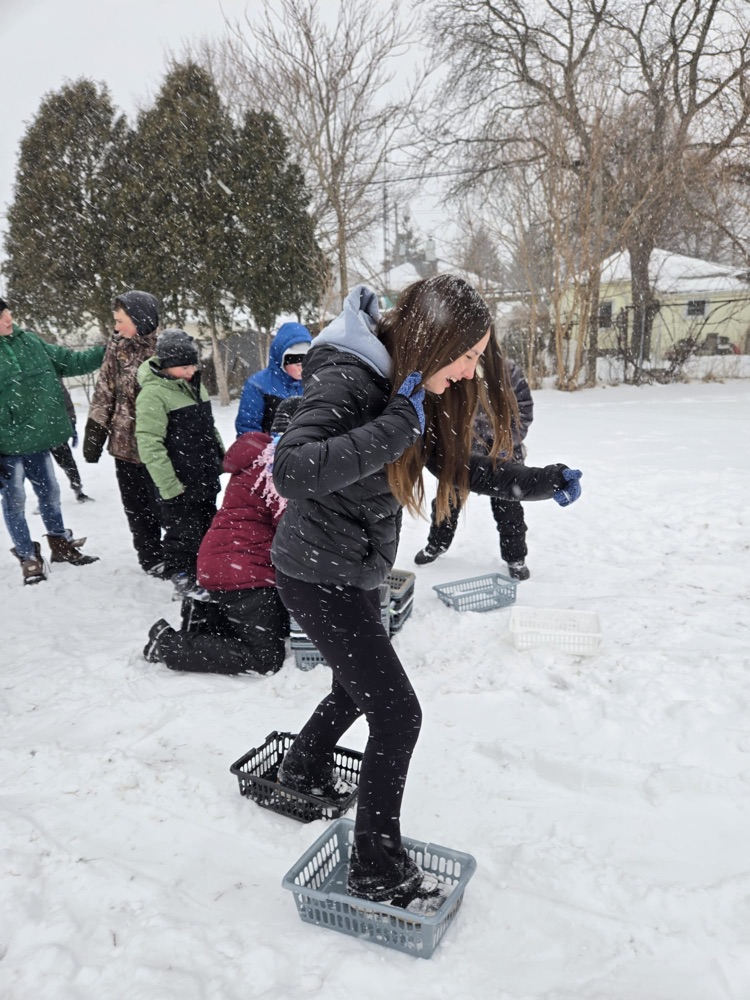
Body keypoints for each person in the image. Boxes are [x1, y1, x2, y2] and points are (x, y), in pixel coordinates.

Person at [269, 277, 582, 906]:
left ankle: (301, 768)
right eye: (466, 357)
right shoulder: (353, 377)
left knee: (355, 690)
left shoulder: (409, 388)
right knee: (396, 712)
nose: (470, 374)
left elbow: (454, 466)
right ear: (435, 343)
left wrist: (540, 480)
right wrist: (394, 424)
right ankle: (376, 868)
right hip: (313, 572)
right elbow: (292, 469)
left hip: (352, 569)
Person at [142, 398, 300, 673]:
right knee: (265, 659)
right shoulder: (280, 467)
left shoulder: (262, 458)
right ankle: (168, 644)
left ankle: (207, 616)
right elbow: (292, 531)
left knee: (277, 625)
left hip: (225, 562)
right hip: (246, 573)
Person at [0, 296, 104, 585]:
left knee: (50, 494)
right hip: (6, 447)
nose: (8, 319)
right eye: (1, 317)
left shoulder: (30, 342)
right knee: (15, 502)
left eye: (7, 312)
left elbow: (71, 361)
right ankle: (27, 556)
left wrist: (108, 350)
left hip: (39, 438)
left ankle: (60, 545)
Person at [414, 356, 534, 579]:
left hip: (504, 453)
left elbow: (524, 410)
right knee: (447, 501)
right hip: (463, 452)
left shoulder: (507, 370)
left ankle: (515, 558)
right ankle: (436, 544)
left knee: (509, 508)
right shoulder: (457, 368)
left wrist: (505, 441)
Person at [135, 329, 225, 600]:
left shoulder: (196, 386)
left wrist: (221, 457)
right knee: (183, 535)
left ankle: (208, 573)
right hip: (177, 482)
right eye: (184, 366)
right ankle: (183, 578)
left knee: (207, 529)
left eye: (193, 364)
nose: (191, 370)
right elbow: (149, 444)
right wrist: (169, 485)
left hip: (203, 477)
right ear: (166, 365)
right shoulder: (153, 395)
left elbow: (209, 428)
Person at [83, 291, 163, 574]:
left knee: (166, 505)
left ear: (140, 319)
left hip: (159, 447)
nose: (116, 327)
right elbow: (105, 391)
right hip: (124, 445)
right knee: (137, 508)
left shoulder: (165, 350)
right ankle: (151, 558)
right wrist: (95, 432)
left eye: (121, 320)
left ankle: (179, 555)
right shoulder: (116, 347)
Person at [235, 321, 311, 435]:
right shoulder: (257, 385)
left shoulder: (315, 383)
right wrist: (270, 448)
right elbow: (248, 429)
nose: (303, 368)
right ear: (281, 359)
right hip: (269, 451)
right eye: (297, 364)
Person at [50, 381, 93, 503]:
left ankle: (78, 490)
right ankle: (45, 498)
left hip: (55, 431)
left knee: (67, 463)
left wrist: (72, 423)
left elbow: (67, 403)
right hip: (35, 434)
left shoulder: (52, 378)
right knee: (41, 468)